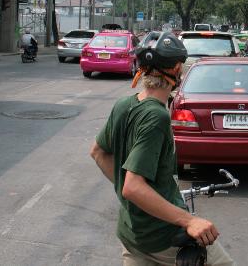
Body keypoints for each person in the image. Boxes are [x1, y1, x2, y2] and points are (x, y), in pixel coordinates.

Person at [89, 33, 234, 266]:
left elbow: (98, 152)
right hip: (163, 237)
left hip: (132, 235)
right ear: (177, 69)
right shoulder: (156, 116)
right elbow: (133, 187)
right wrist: (189, 221)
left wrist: (138, 200)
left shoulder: (125, 104)